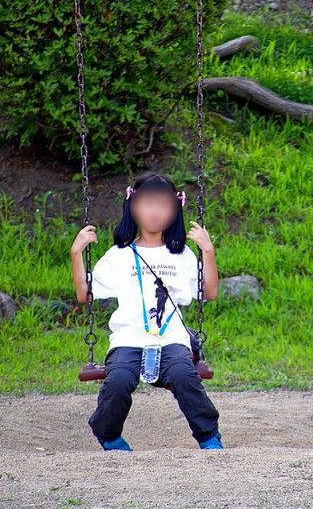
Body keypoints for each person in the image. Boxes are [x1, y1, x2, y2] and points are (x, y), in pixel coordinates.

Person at [71, 172, 223, 450]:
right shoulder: (119, 255)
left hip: (171, 339)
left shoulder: (182, 256)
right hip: (128, 339)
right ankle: (109, 435)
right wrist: (76, 254)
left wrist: (208, 251)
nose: (155, 212)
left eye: (164, 205)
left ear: (174, 211)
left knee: (183, 375)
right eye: (147, 204)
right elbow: (85, 294)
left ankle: (209, 436)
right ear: (132, 207)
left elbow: (209, 292)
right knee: (117, 380)